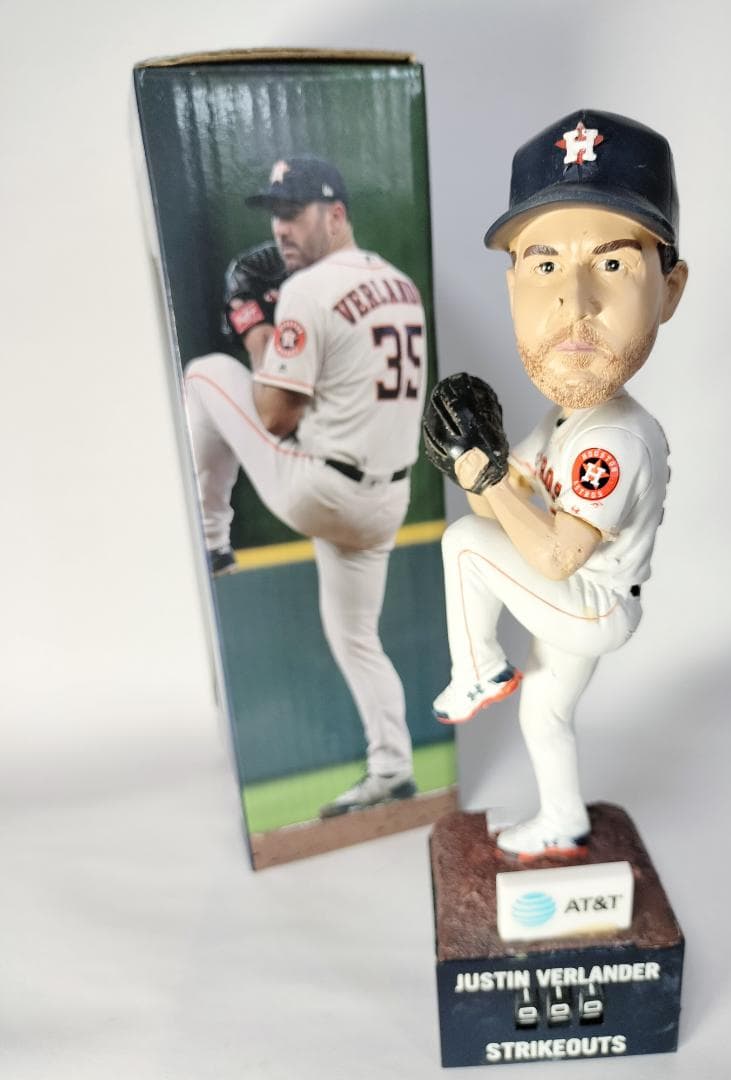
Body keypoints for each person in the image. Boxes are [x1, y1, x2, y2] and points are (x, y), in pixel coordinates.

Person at [430, 111, 688, 857]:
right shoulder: (568, 417)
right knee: (543, 711)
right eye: (545, 266)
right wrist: (476, 463)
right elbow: (506, 501)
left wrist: (486, 482)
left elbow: (552, 556)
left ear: (669, 290)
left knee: (461, 545)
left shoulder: (615, 438)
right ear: (514, 284)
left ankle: (477, 670)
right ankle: (563, 820)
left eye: (612, 264)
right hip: (581, 594)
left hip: (594, 602)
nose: (575, 300)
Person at [184, 156, 427, 817]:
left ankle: (212, 539)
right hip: (387, 503)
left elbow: (274, 416)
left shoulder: (308, 290)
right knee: (357, 638)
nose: (280, 228)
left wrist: (254, 325)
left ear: (336, 214)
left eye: (294, 212)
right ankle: (392, 770)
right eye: (275, 214)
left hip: (321, 489)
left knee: (203, 374)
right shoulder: (401, 284)